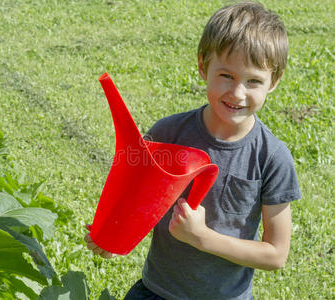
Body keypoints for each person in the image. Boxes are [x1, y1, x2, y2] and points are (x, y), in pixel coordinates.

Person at [84, 1, 301, 299]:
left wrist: (202, 238)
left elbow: (276, 254)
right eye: (226, 75)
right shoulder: (168, 134)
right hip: (155, 292)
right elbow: (138, 204)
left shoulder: (272, 158)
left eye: (253, 81)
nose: (237, 93)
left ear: (274, 81)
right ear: (202, 65)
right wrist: (113, 240)